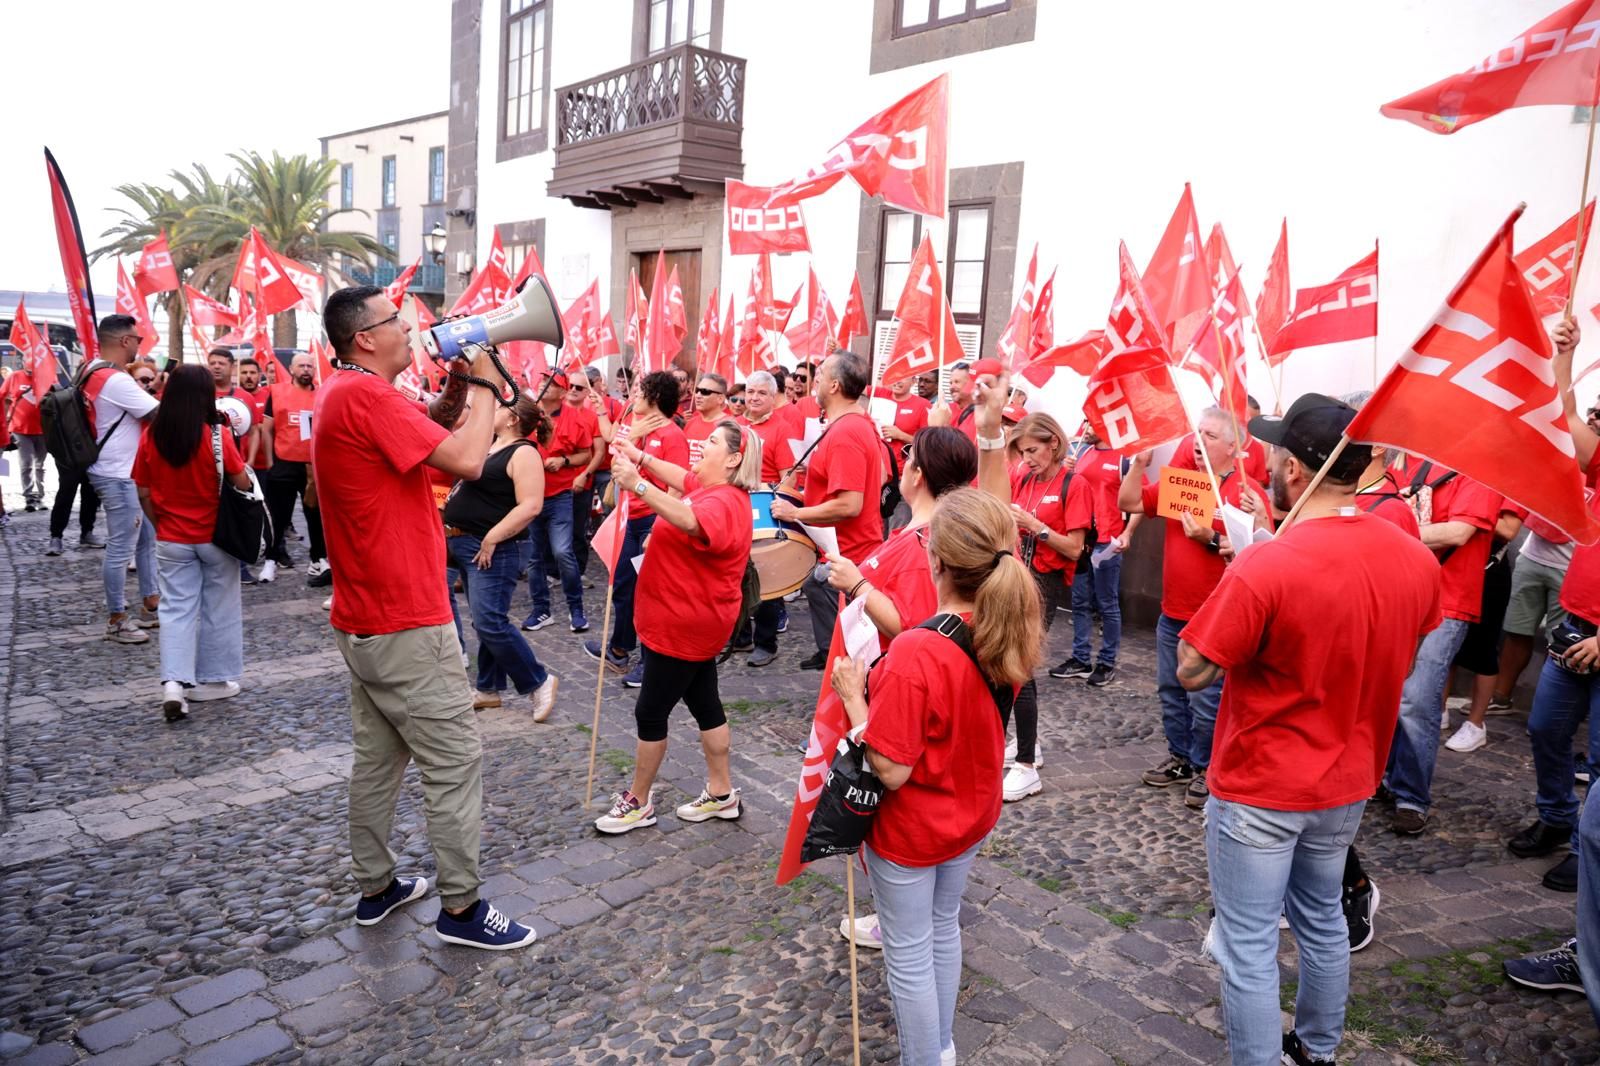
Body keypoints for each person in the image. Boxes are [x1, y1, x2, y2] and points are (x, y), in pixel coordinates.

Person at [1177, 393, 1441, 1066]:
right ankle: (1316, 1051)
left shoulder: (1271, 562)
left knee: (1249, 945)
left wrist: (1241, 566)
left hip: (1263, 784)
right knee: (1323, 920)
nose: (1265, 460)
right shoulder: (1410, 554)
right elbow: (1407, 650)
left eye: (1273, 451)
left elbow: (1193, 669)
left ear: (1296, 469)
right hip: (1348, 777)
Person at [313, 284, 536, 950]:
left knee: (379, 761)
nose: (411, 330)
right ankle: (462, 911)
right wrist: (494, 386)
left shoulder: (347, 392)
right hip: (406, 618)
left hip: (366, 617)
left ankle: (377, 887)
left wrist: (460, 382)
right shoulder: (366, 395)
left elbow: (431, 431)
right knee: (454, 760)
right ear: (365, 339)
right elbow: (467, 458)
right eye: (396, 322)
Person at [828, 487, 1037, 1066]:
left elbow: (890, 768)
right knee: (943, 928)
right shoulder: (1005, 627)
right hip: (968, 813)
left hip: (915, 829)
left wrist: (854, 699)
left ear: (937, 561)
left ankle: (927, 1057)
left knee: (910, 953)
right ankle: (941, 1050)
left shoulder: (918, 650)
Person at [593, 419, 759, 833]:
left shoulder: (722, 502)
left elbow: (691, 521)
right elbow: (682, 478)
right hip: (688, 622)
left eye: (714, 442)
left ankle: (639, 801)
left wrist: (638, 485)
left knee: (650, 712)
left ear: (734, 458)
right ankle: (722, 795)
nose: (703, 445)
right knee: (706, 705)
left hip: (683, 626)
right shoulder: (712, 487)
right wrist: (640, 457)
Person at [1118, 408, 1265, 809]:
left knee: (1206, 699)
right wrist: (1139, 466)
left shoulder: (1247, 493)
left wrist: (1208, 536)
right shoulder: (1184, 483)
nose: (1199, 443)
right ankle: (1182, 759)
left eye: (1211, 436)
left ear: (1235, 448)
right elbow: (1128, 500)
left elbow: (1259, 554)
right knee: (1170, 689)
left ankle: (1206, 768)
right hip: (1173, 612)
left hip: (1216, 615)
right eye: (1197, 434)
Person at [1505, 317, 1600, 893]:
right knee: (1545, 729)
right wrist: (1565, 359)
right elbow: (1564, 422)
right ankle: (1559, 819)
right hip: (1576, 623)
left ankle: (1593, 852)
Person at [1383, 453, 1502, 834]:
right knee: (1387, 693)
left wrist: (1385, 529)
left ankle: (1410, 797)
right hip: (1398, 590)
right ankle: (1384, 778)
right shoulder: (1404, 456)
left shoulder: (1479, 465)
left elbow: (1459, 532)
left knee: (1417, 699)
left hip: (1447, 597)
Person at [131, 365, 250, 722]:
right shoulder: (216, 436)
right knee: (219, 608)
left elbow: (144, 491)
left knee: (175, 612)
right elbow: (241, 483)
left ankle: (173, 685)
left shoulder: (152, 436)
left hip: (171, 538)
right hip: (215, 537)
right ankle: (211, 682)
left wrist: (160, 523)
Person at [444, 393, 559, 721]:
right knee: (487, 619)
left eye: (499, 407)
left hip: (495, 546)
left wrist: (493, 536)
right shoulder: (491, 444)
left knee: (489, 621)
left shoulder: (523, 452)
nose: (492, 410)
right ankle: (488, 688)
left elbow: (531, 505)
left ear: (512, 419)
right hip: (466, 543)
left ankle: (538, 680)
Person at [1001, 413, 1093, 803]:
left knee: (1019, 665)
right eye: (1023, 452)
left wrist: (1033, 524)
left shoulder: (1076, 483)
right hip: (1019, 575)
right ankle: (1028, 744)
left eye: (1033, 450)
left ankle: (1025, 764)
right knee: (1009, 663)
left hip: (1047, 581)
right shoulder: (1024, 478)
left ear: (1054, 443)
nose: (1028, 458)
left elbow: (1074, 547)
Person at [772, 352, 883, 670]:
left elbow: (850, 504)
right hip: (842, 550)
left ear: (834, 385)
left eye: (819, 374)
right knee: (815, 587)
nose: (812, 381)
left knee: (857, 656)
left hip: (849, 551)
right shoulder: (848, 426)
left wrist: (795, 514)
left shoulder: (847, 432)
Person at [583, 371, 688, 687]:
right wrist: (635, 434)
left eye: (639, 393)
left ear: (654, 398)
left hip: (653, 523)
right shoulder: (640, 429)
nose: (632, 399)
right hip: (630, 519)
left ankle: (649, 662)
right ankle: (619, 648)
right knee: (625, 586)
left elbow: (677, 486)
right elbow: (618, 463)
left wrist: (659, 527)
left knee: (651, 595)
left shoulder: (672, 436)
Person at [83, 315, 161, 644]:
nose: (140, 348)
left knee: (145, 539)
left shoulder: (91, 369)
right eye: (138, 341)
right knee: (120, 548)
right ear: (125, 341)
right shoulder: (116, 380)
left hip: (114, 469)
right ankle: (116, 618)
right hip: (118, 473)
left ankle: (152, 602)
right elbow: (158, 414)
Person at [1053, 427, 1138, 686]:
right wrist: (1065, 470)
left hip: (1107, 542)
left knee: (1107, 605)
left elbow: (1139, 499)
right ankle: (1080, 659)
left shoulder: (1124, 458)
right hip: (1082, 541)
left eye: (1092, 422)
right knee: (1079, 603)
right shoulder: (1082, 452)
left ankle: (1106, 662)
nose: (1086, 428)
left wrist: (1129, 533)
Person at [731, 370, 799, 663]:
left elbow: (790, 481)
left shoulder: (782, 430)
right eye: (750, 391)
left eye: (761, 393)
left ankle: (766, 643)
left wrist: (760, 488)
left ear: (774, 398)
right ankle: (741, 636)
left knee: (766, 579)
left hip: (763, 510)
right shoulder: (735, 426)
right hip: (734, 508)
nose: (754, 397)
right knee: (734, 574)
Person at [1443, 504, 1523, 753]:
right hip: (1456, 562)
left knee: (1484, 651)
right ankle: (1439, 708)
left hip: (1489, 569)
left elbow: (1510, 530)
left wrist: (1469, 515)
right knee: (1447, 645)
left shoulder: (1514, 484)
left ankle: (1475, 724)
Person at [519, 369, 594, 634]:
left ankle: (577, 610)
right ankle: (541, 611)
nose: (543, 383)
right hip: (528, 496)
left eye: (551, 382)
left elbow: (585, 454)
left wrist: (563, 461)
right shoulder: (526, 411)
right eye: (542, 379)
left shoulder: (575, 418)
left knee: (562, 551)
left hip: (559, 496)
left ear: (562, 393)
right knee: (534, 557)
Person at [260, 351, 327, 587]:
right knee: (278, 516)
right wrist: (269, 460)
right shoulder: (277, 392)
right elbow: (266, 428)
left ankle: (318, 559)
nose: (306, 369)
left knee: (315, 516)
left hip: (313, 466)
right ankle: (271, 559)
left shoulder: (323, 395)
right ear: (292, 369)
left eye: (310, 366)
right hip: (284, 461)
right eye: (302, 366)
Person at [571, 367, 620, 577]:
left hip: (605, 470)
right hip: (576, 474)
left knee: (608, 511)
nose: (575, 389)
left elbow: (610, 438)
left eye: (585, 384)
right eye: (571, 386)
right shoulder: (564, 408)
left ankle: (607, 552)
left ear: (599, 381)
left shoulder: (612, 404)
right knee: (573, 523)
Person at [4, 363, 46, 512]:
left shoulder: (46, 376)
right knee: (26, 464)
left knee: (41, 465)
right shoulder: (15, 377)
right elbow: (2, 396)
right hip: (20, 429)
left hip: (43, 430)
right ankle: (29, 496)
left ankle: (40, 495)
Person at [681, 372, 729, 465]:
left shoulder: (729, 426)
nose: (698, 395)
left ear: (720, 398)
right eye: (697, 390)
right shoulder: (691, 422)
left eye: (705, 392)